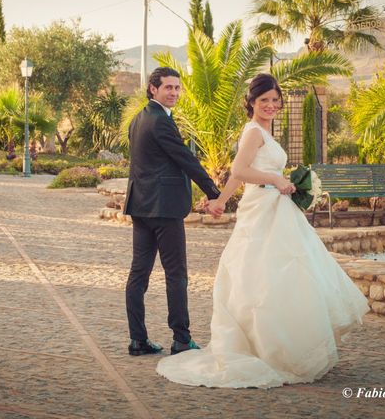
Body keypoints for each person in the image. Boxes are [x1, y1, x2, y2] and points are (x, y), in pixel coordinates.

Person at [156, 73, 369, 387]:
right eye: (263, 100)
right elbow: (240, 170)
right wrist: (276, 179)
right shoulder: (253, 131)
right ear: (252, 103)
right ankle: (265, 349)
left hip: (275, 208)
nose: (270, 105)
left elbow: (238, 177)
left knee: (285, 274)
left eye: (274, 100)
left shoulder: (265, 130)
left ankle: (286, 346)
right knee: (259, 276)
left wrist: (219, 201)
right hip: (262, 210)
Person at [124, 67, 221, 356]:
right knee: (176, 274)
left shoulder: (138, 119)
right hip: (164, 209)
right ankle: (181, 339)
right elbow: (185, 159)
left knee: (138, 274)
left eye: (178, 88)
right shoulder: (160, 122)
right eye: (168, 87)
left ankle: (138, 340)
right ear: (153, 89)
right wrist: (214, 191)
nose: (175, 93)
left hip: (141, 206)